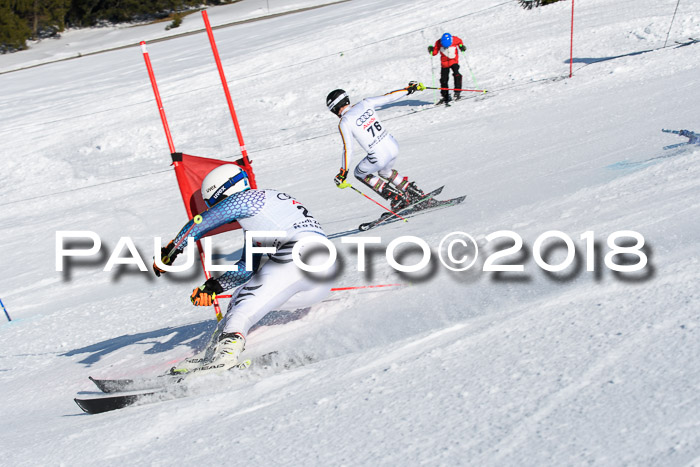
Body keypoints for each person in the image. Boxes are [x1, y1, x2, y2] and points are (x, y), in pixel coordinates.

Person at [153, 164, 335, 372]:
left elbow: (201, 223)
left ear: (223, 193)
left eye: (215, 204)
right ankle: (218, 350)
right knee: (240, 296)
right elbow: (247, 268)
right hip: (321, 275)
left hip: (299, 254)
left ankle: (226, 356)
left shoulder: (248, 198)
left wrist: (171, 251)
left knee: (245, 301)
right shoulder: (262, 215)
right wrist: (214, 287)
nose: (217, 209)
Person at [326, 82, 427, 211]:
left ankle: (397, 199)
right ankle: (414, 193)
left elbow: (348, 149)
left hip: (379, 156)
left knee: (359, 173)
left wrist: (343, 172)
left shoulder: (344, 122)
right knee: (385, 172)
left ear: (335, 109)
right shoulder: (365, 103)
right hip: (393, 146)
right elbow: (389, 97)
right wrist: (409, 90)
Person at [428, 32, 467, 104]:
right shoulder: (438, 42)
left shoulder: (455, 39)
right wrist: (431, 50)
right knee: (443, 79)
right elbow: (434, 53)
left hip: (454, 61)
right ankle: (445, 96)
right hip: (444, 63)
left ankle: (457, 92)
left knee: (457, 75)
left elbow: (460, 42)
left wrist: (461, 46)